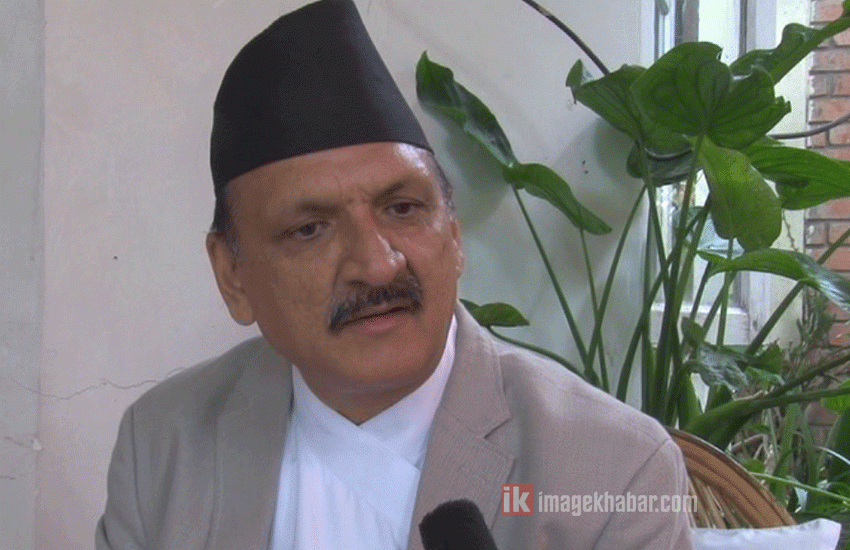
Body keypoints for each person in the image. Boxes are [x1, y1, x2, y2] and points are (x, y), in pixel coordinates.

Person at [95, 0, 694, 548]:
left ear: (453, 235)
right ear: (233, 276)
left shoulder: (613, 473)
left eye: (403, 209)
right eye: (310, 229)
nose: (379, 263)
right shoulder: (164, 445)